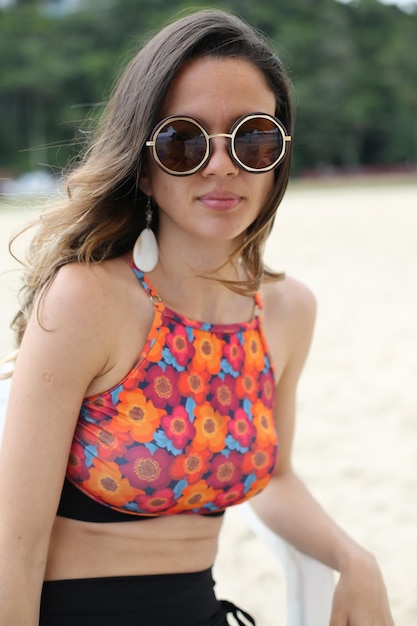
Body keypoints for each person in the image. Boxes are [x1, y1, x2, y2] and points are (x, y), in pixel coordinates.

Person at [0, 9, 394, 626]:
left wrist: (355, 558)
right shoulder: (86, 301)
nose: (220, 165)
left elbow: (277, 478)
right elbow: (12, 549)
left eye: (252, 137)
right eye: (183, 141)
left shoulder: (286, 312)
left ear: (279, 157)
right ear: (145, 166)